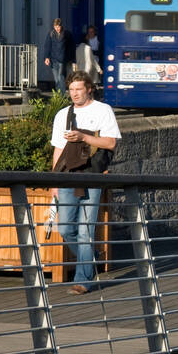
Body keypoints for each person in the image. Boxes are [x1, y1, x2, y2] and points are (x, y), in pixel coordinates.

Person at [51, 72, 120, 294]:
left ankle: (83, 280)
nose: (74, 94)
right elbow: (58, 149)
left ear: (89, 88)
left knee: (85, 231)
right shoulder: (63, 114)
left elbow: (110, 143)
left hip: (92, 175)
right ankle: (89, 257)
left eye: (78, 89)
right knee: (64, 228)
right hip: (68, 176)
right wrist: (53, 180)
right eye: (71, 90)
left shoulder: (103, 110)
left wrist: (83, 137)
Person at [43, 18, 72, 93]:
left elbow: (71, 46)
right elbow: (47, 46)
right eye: (56, 27)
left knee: (61, 77)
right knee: (56, 79)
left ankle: (61, 95)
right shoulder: (51, 34)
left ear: (61, 26)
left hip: (62, 59)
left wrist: (71, 58)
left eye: (58, 27)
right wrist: (46, 57)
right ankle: (59, 95)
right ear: (53, 26)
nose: (57, 28)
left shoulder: (67, 34)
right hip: (53, 59)